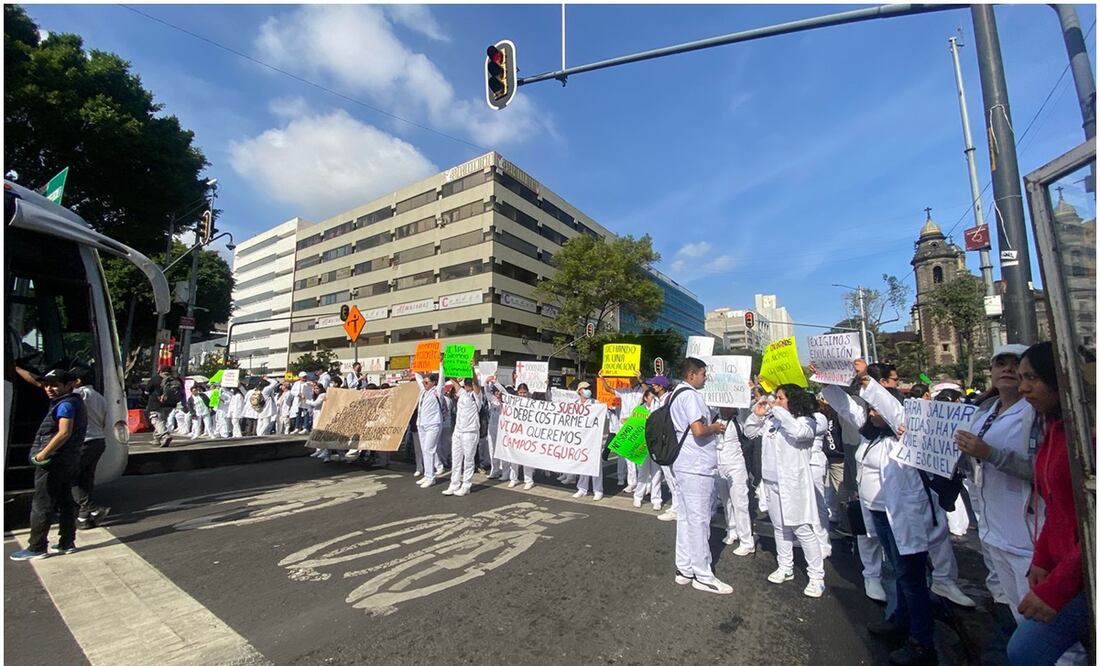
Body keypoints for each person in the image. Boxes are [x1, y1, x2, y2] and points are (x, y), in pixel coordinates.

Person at [1007, 342, 1088, 665]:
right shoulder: (1056, 428)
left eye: (1033, 378)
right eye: (1022, 377)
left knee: (1025, 649)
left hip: (1083, 572)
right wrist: (1042, 557)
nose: (1023, 387)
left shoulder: (1087, 435)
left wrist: (1057, 588)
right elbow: (1056, 506)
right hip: (1063, 567)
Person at [953, 344, 1038, 625]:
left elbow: (1042, 469)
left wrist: (990, 454)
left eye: (1016, 365)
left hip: (1028, 538)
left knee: (1040, 628)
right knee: (1018, 617)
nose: (1008, 370)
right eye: (1000, 364)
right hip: (994, 533)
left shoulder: (1035, 413)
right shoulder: (984, 412)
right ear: (991, 372)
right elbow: (970, 463)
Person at [744, 383, 825, 598]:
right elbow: (749, 432)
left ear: (793, 400)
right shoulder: (772, 421)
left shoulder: (806, 421)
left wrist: (778, 410)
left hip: (793, 485)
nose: (776, 402)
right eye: (776, 398)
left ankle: (817, 577)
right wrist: (757, 415)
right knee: (779, 528)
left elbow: (799, 434)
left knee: (802, 529)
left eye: (780, 398)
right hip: (771, 483)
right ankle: (785, 566)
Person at [666, 357, 730, 594]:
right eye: (703, 374)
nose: (706, 378)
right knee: (700, 520)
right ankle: (702, 574)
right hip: (695, 466)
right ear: (691, 375)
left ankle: (684, 568)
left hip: (684, 464)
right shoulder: (690, 395)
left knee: (686, 518)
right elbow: (699, 430)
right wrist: (716, 427)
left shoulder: (675, 394)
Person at [11, 369, 87, 560]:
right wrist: (16, 367)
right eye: (47, 385)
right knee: (65, 500)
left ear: (68, 385)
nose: (49, 389)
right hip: (68, 459)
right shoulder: (71, 400)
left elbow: (64, 432)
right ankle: (67, 542)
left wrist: (42, 454)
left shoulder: (66, 405)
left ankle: (37, 547)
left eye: (54, 385)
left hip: (54, 460)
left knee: (42, 503)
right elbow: (37, 382)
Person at [713, 406, 754, 556]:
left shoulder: (740, 419)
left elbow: (749, 419)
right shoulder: (715, 418)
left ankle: (747, 541)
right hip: (719, 464)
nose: (725, 408)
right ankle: (732, 530)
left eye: (729, 406)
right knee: (726, 501)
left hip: (736, 465)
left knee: (740, 503)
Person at [601, 371, 645, 492]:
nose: (631, 380)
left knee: (638, 456)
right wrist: (602, 378)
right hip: (623, 426)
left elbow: (648, 391)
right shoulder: (624, 391)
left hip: (637, 425)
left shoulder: (641, 390)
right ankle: (632, 482)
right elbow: (609, 389)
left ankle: (642, 483)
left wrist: (641, 379)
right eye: (629, 378)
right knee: (627, 456)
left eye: (633, 378)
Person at [443, 372, 484, 497]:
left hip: (470, 432)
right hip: (458, 431)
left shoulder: (476, 396)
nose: (466, 386)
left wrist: (471, 369)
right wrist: (446, 367)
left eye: (468, 383)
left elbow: (476, 384)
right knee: (456, 460)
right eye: (465, 384)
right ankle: (454, 484)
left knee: (468, 460)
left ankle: (466, 485)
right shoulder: (462, 394)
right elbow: (454, 382)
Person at [413, 364, 446, 488]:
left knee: (429, 450)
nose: (424, 382)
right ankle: (427, 475)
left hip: (433, 424)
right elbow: (417, 376)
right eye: (424, 380)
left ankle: (431, 477)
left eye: (427, 380)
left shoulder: (437, 392)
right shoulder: (423, 392)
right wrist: (416, 367)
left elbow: (442, 379)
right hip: (421, 424)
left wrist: (440, 365)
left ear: (433, 383)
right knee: (424, 450)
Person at [809, 397, 833, 559]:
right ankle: (810, 538)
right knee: (805, 504)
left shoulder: (819, 417)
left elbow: (807, 430)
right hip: (802, 463)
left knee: (818, 504)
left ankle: (824, 543)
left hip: (815, 462)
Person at [573, 381, 604, 501]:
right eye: (585, 388)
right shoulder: (574, 404)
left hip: (593, 438)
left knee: (596, 464)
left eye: (589, 388)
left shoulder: (596, 403)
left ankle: (598, 490)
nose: (588, 390)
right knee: (582, 463)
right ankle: (582, 488)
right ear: (580, 390)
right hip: (580, 438)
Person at [503, 383, 536, 489]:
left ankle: (529, 480)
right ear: (517, 392)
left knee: (526, 458)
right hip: (515, 433)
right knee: (514, 457)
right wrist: (495, 381)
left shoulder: (531, 403)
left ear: (527, 392)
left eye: (524, 393)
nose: (522, 395)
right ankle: (514, 478)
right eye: (520, 392)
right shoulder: (513, 401)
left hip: (527, 434)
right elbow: (503, 392)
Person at [145, 366, 183, 447]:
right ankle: (157, 439)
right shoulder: (176, 380)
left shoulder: (156, 378)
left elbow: (146, 391)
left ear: (160, 371)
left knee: (156, 420)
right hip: (171, 404)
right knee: (162, 421)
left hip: (156, 404)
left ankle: (165, 435)